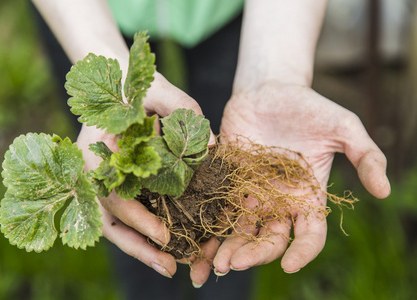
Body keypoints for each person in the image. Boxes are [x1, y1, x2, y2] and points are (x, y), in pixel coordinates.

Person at [32, 0, 391, 298]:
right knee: (118, 191)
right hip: (83, 13)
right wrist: (115, 88)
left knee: (236, 216)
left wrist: (275, 74)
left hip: (235, 11)